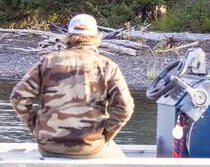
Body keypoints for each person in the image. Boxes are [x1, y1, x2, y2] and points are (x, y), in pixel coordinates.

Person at [9, 14, 135, 159]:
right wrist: (106, 135)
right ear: (96, 37)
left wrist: (37, 128)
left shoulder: (47, 62)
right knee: (121, 160)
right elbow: (125, 107)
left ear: (69, 36)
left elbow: (18, 97)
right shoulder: (107, 66)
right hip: (90, 148)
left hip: (49, 147)